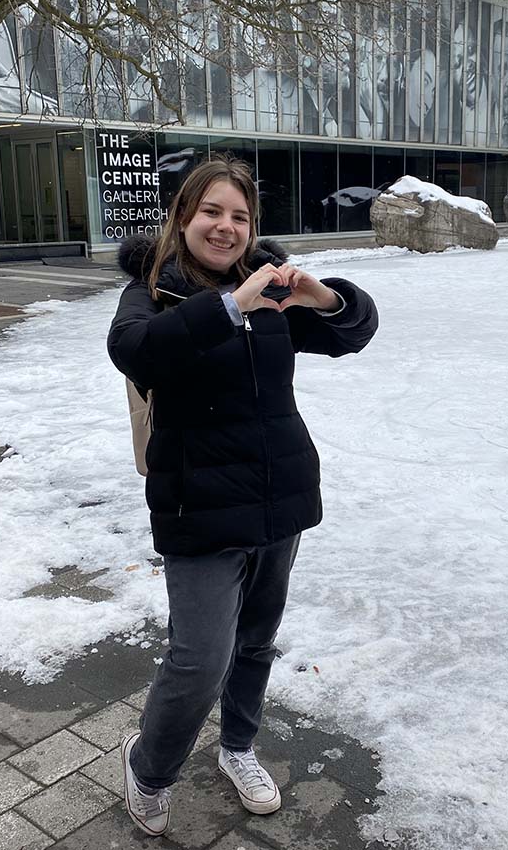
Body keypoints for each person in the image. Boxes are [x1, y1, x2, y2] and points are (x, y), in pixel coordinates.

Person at [107, 157, 379, 837]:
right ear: (183, 216)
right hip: (196, 504)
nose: (226, 228)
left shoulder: (274, 291)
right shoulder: (153, 291)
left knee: (255, 641)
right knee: (199, 659)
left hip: (277, 497)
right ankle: (149, 768)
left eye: (240, 216)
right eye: (212, 213)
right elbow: (134, 350)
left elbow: (355, 332)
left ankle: (237, 747)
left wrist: (323, 296)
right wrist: (231, 306)